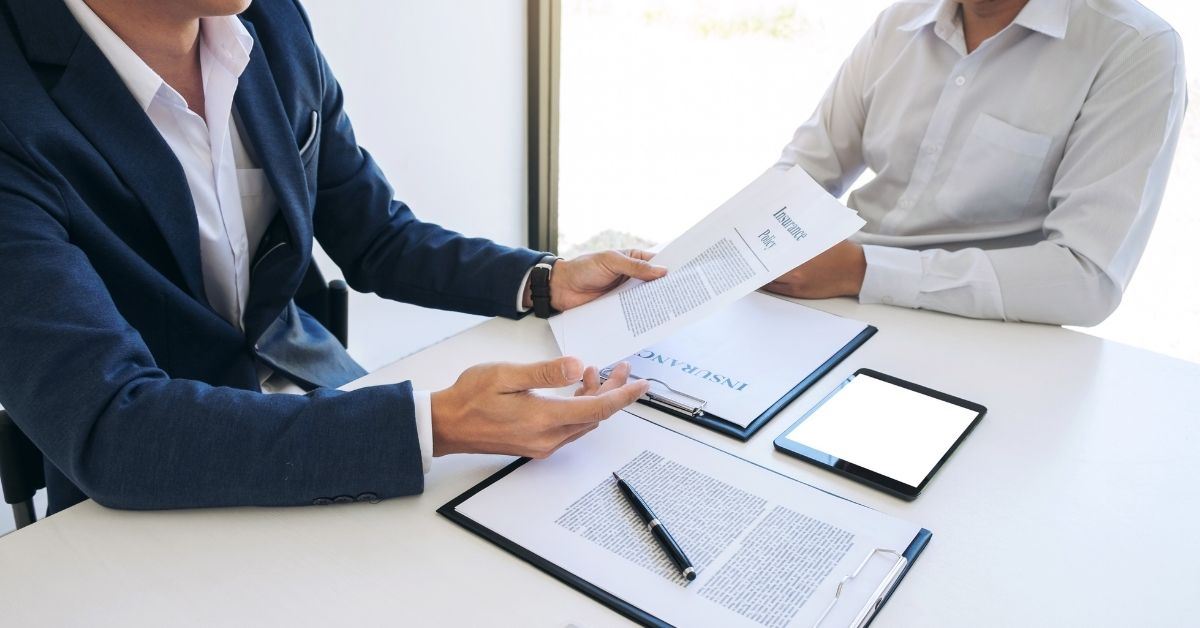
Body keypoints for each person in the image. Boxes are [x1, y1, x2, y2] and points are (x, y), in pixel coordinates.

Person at [0, 0, 664, 514]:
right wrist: (431, 425)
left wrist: (543, 280)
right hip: (151, 483)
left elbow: (377, 235)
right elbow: (113, 428)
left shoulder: (272, 22)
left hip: (321, 407)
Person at [764, 0, 1185, 326]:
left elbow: (1087, 278)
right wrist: (749, 242)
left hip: (984, 334)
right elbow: (803, 172)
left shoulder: (1134, 48)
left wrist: (862, 270)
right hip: (832, 299)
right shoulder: (901, 19)